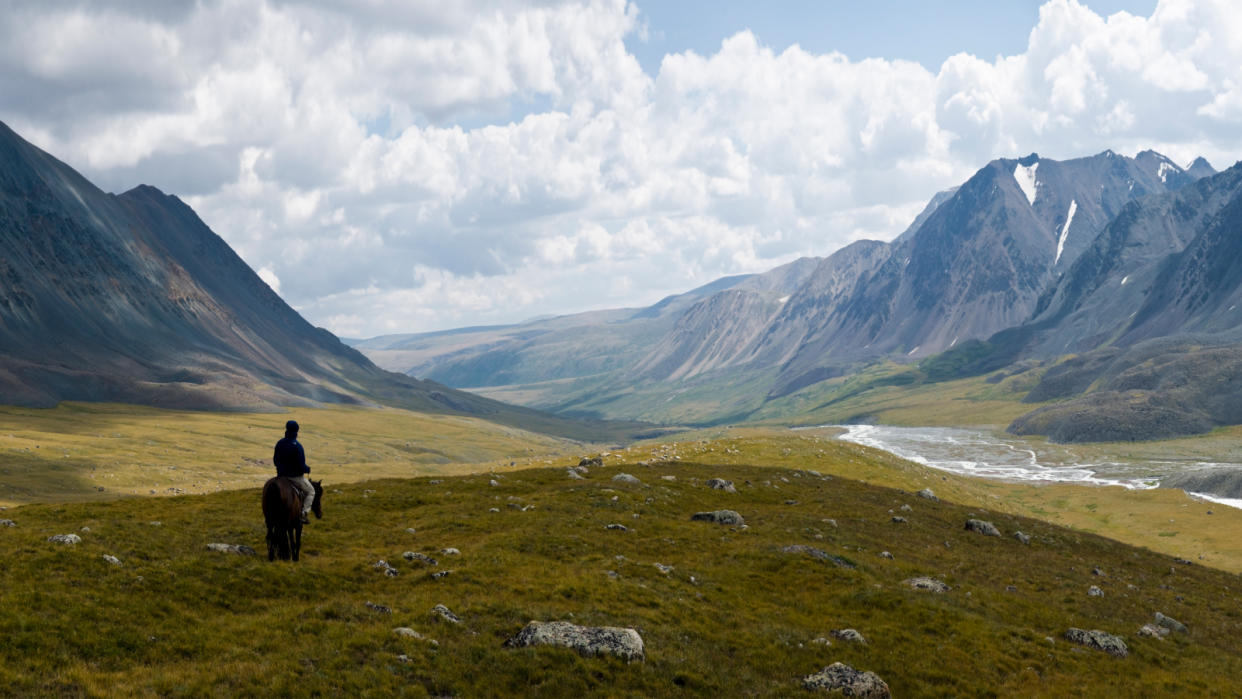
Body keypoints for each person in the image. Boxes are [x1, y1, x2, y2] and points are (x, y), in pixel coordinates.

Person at [273, 419, 315, 524]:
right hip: (295, 478)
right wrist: (307, 469)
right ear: (296, 431)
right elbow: (301, 465)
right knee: (311, 491)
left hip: (281, 477)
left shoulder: (280, 443)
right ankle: (303, 514)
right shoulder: (298, 446)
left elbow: (275, 461)